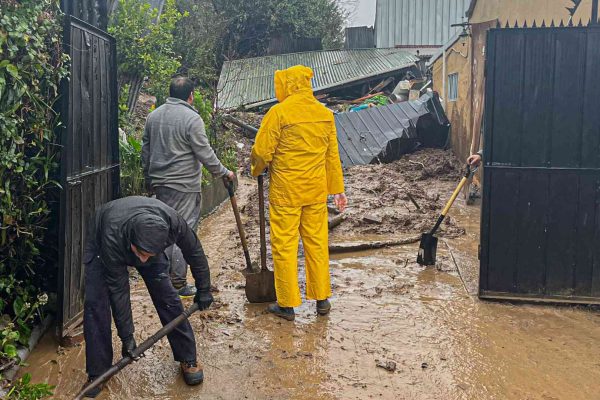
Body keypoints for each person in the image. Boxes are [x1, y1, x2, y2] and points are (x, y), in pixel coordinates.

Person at [81, 196, 214, 398]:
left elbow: (194, 251)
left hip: (148, 241)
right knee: (95, 303)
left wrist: (204, 287)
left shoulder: (172, 224)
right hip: (104, 238)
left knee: (167, 295)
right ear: (132, 241)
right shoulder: (112, 235)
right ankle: (98, 373)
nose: (142, 261)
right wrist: (127, 337)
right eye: (140, 253)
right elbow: (119, 289)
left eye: (148, 255)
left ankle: (188, 357)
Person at [250, 65, 347, 322]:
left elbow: (261, 153)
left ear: (289, 84)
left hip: (286, 193)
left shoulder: (278, 113)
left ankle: (287, 304)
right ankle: (322, 298)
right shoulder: (324, 114)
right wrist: (337, 189)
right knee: (316, 244)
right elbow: (332, 156)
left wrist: (256, 169)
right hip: (315, 192)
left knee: (285, 246)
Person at [142, 77, 234, 298]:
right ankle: (178, 282)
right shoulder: (192, 119)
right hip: (183, 185)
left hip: (160, 184)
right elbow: (204, 153)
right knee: (183, 232)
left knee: (163, 229)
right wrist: (223, 172)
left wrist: (148, 178)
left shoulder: (153, 117)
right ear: (190, 95)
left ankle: (160, 278)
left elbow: (145, 151)